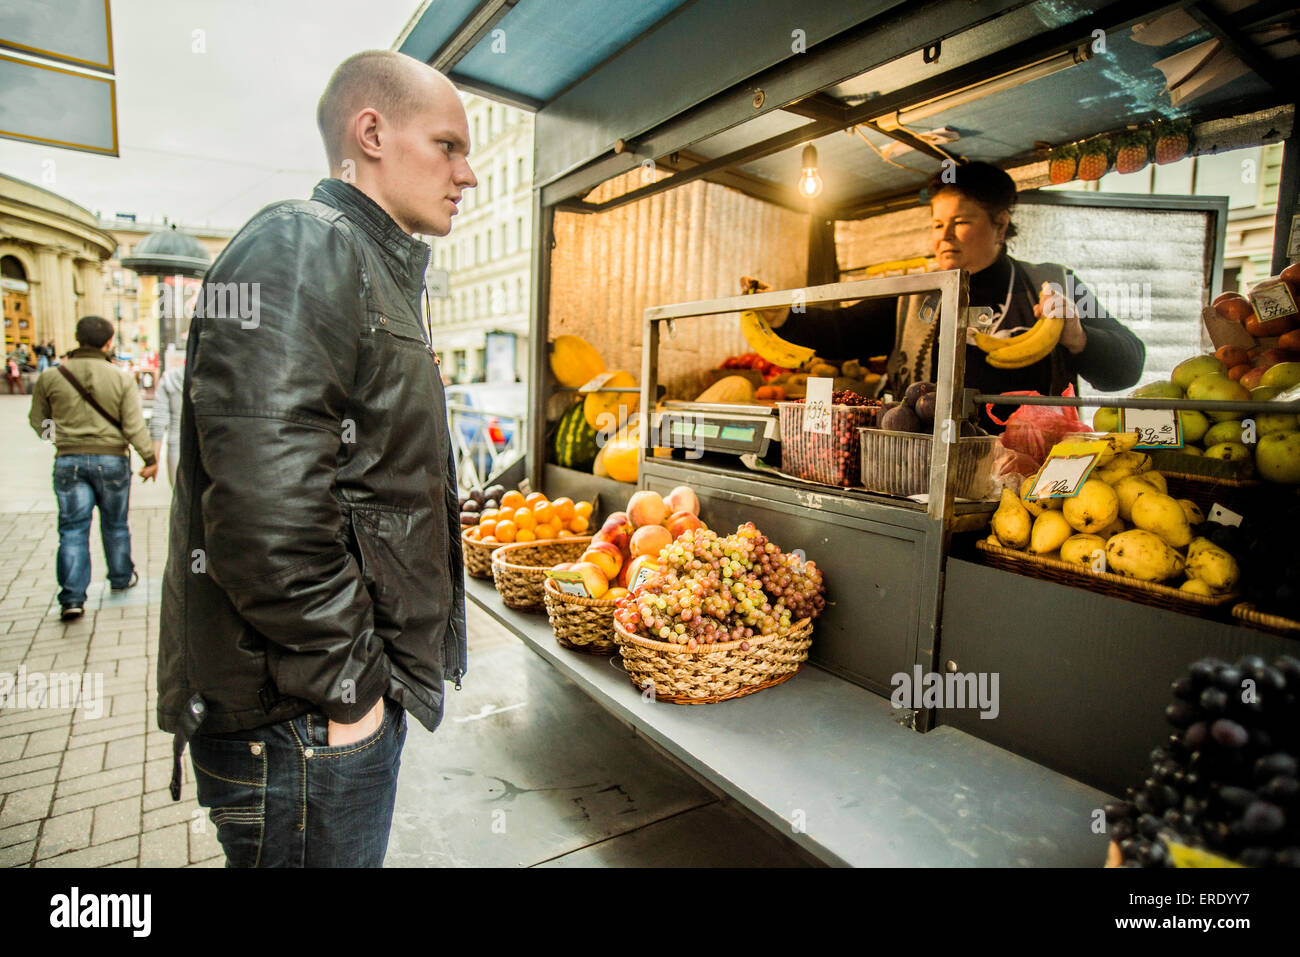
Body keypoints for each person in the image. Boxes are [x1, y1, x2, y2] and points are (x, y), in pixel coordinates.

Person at [158, 50, 475, 868]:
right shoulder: (304, 246)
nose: (466, 173)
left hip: (316, 709)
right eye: (448, 145)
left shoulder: (369, 262)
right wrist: (352, 691)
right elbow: (265, 515)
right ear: (371, 133)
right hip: (303, 716)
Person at [754, 162, 1145, 429]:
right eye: (937, 224)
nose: (943, 236)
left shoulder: (1054, 283)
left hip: (1030, 475)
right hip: (922, 471)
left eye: (959, 223)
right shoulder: (916, 295)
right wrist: (785, 316)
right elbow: (843, 330)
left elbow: (1128, 366)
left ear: (999, 224)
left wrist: (1078, 338)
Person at [28, 316, 158, 621]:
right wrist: (149, 458)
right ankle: (121, 576)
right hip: (112, 459)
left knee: (72, 529)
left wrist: (61, 440)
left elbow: (38, 420)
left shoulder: (51, 377)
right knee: (115, 524)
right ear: (109, 342)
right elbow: (133, 425)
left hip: (68, 461)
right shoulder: (120, 378)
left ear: (77, 338)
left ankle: (72, 598)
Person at [149, 356, 185, 485]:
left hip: (178, 448)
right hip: (214, 448)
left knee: (181, 500)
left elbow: (158, 420)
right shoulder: (221, 380)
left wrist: (153, 460)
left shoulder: (171, 378)